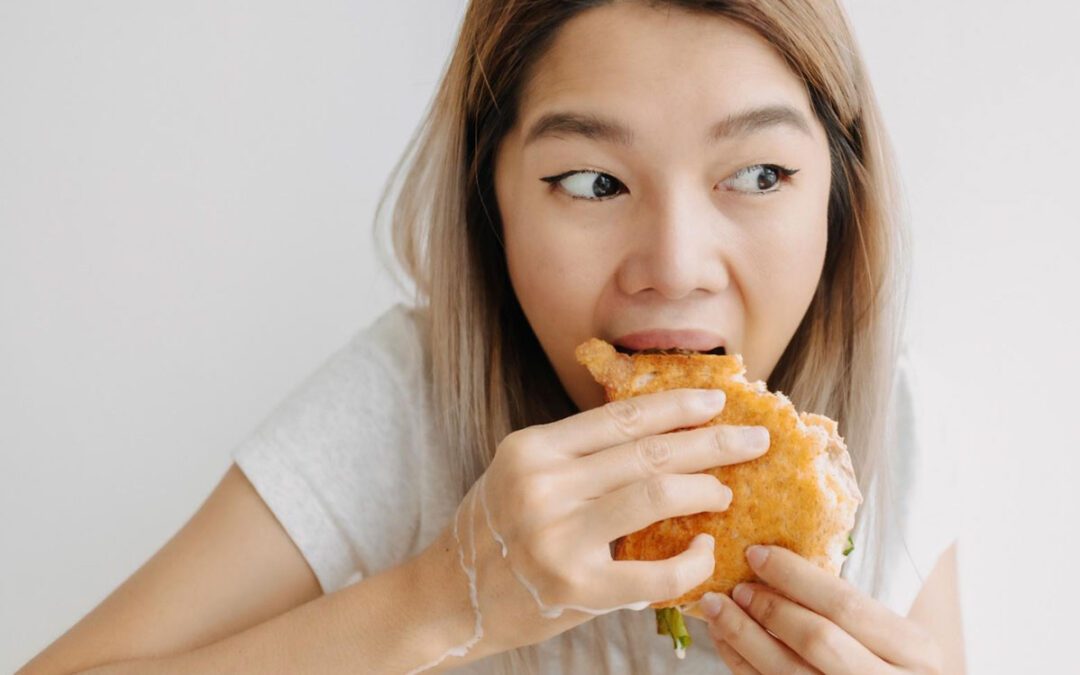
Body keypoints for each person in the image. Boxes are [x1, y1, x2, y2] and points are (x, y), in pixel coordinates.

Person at [19, 1, 965, 673]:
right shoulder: (407, 406)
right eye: (593, 182)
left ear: (841, 200)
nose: (675, 265)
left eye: (758, 174)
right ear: (490, 205)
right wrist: (444, 599)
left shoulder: (895, 428)